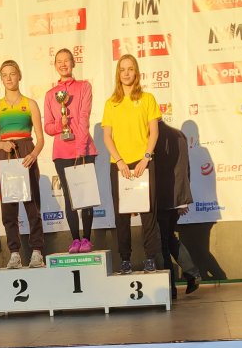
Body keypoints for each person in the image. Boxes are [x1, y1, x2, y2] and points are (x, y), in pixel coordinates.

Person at [102, 54, 161, 274]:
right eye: (122, 69)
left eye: (130, 69)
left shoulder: (148, 99)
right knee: (122, 215)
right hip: (120, 165)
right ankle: (125, 259)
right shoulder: (111, 102)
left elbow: (154, 132)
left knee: (148, 213)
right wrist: (119, 161)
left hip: (143, 163)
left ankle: (150, 258)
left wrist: (146, 157)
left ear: (136, 72)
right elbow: (107, 136)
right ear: (118, 74)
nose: (126, 73)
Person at [0, 59, 45, 269]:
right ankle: (14, 253)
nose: (9, 78)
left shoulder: (30, 104)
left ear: (19, 75)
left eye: (12, 73)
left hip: (27, 151)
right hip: (6, 155)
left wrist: (34, 154)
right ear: (1, 79)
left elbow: (40, 139)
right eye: (5, 75)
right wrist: (2, 144)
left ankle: (37, 251)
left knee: (32, 204)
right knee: (9, 206)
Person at [43, 48, 97, 253]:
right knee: (69, 196)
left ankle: (87, 239)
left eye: (67, 60)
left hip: (84, 150)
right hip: (61, 153)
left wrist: (81, 148)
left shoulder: (84, 87)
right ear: (55, 65)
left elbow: (84, 118)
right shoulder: (50, 95)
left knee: (87, 194)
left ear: (73, 63)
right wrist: (61, 124)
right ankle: (75, 239)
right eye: (59, 61)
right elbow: (48, 127)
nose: (63, 64)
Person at [155, 121, 200, 298]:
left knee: (162, 242)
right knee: (169, 238)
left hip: (160, 197)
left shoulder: (153, 136)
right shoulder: (179, 134)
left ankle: (169, 288)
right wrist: (182, 200)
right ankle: (192, 274)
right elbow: (185, 167)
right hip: (175, 197)